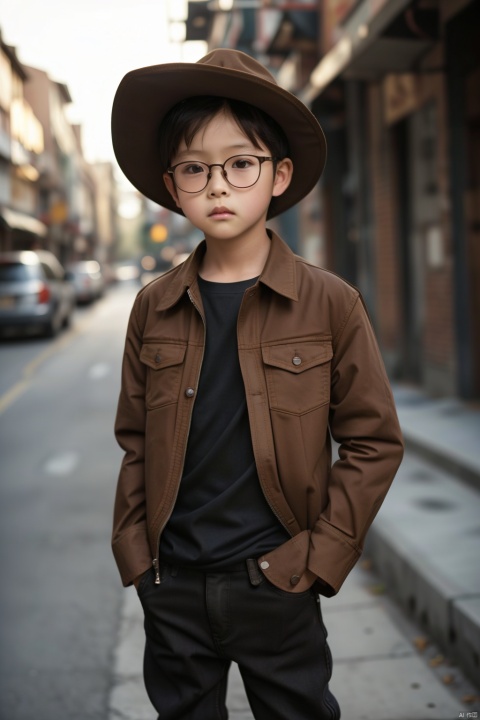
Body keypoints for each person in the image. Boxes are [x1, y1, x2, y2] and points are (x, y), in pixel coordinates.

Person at [111, 48, 404, 720]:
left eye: (240, 164)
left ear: (279, 175)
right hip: (174, 586)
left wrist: (318, 559)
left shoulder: (330, 303)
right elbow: (135, 440)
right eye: (195, 168)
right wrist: (136, 555)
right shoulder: (153, 307)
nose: (218, 186)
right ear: (172, 183)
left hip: (278, 584)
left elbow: (373, 442)